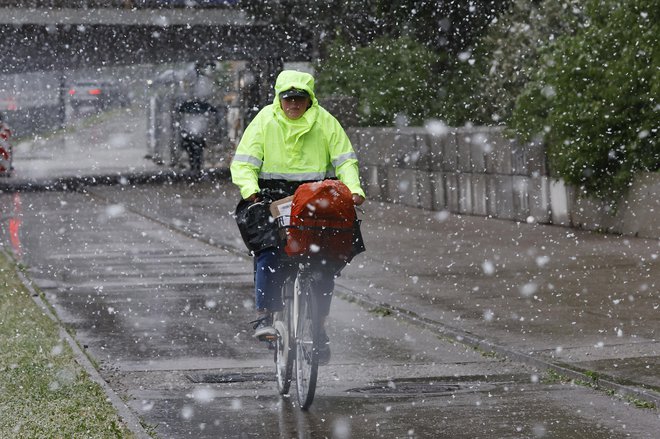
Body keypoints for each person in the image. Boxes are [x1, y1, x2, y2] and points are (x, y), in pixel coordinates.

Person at [230, 70, 365, 364]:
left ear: (309, 99)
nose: (293, 103)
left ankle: (317, 327)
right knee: (267, 248)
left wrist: (353, 190)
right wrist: (251, 192)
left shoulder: (325, 122)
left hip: (315, 195)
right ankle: (265, 316)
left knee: (325, 261)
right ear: (279, 99)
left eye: (299, 98)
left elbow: (345, 160)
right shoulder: (264, 121)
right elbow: (244, 162)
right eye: (288, 98)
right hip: (271, 195)